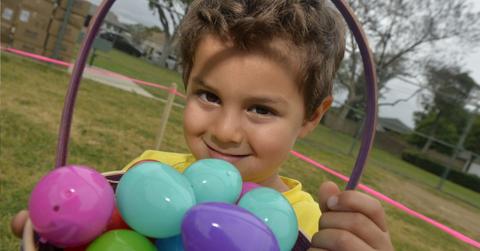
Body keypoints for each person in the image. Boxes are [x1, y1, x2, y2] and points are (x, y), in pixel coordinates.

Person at [12, 0, 393, 250]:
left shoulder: (309, 225)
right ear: (186, 83)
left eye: (261, 109)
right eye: (208, 96)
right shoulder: (147, 171)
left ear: (312, 116)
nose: (225, 131)